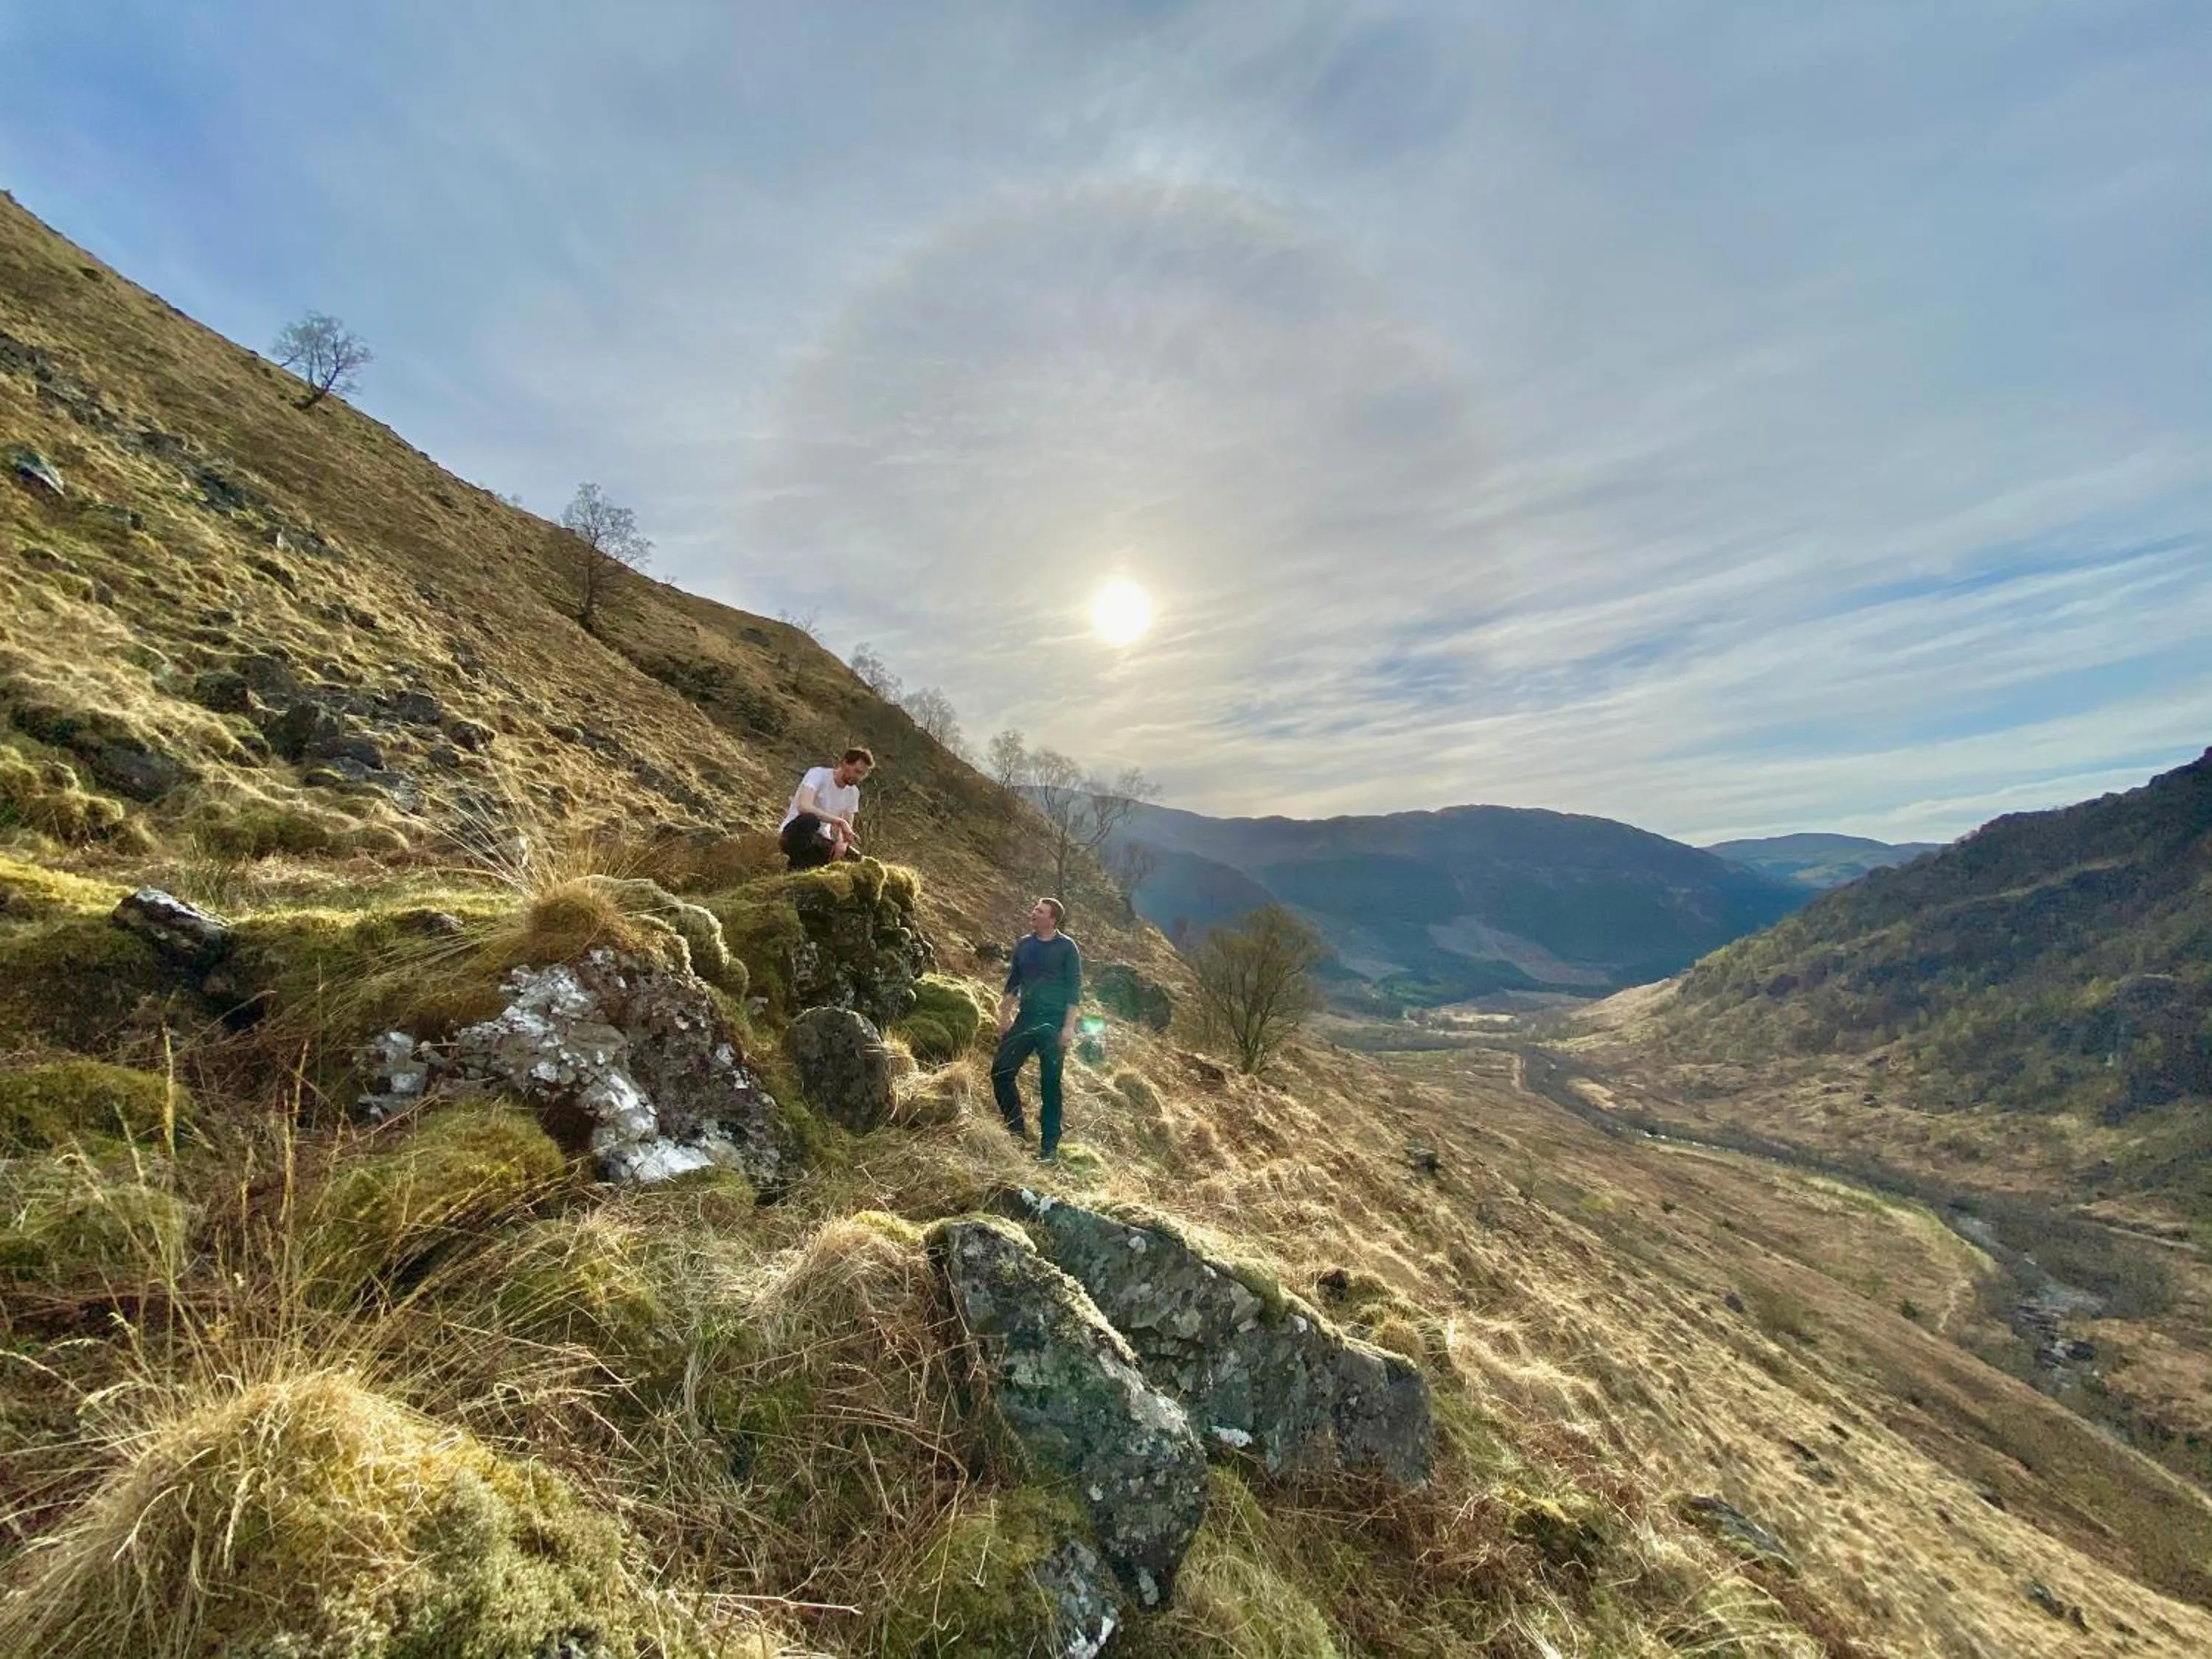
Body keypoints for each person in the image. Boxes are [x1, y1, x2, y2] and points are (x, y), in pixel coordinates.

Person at [992, 896, 1083, 1162]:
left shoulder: (1067, 948)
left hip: (1054, 1024)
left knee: (1050, 1085)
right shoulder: (1024, 944)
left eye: (1040, 911)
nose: (1033, 913)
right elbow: (1013, 982)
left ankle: (1049, 1148)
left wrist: (1068, 1027)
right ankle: (1016, 1132)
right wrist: (1004, 1015)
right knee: (1001, 1072)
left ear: (1052, 919)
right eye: (1034, 909)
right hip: (1027, 1018)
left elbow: (1074, 990)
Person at [778, 748, 873, 870]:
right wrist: (838, 821)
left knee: (855, 860)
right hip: (795, 833)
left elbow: (847, 828)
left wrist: (842, 843)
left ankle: (807, 870)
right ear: (845, 763)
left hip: (819, 839)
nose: (858, 777)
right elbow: (804, 806)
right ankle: (794, 867)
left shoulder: (853, 793)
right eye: (857, 771)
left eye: (862, 774)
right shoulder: (818, 774)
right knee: (810, 820)